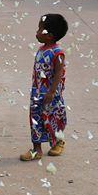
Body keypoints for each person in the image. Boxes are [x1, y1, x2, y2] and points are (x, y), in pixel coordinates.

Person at [20, 14, 68, 162]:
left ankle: (58, 141)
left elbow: (59, 72)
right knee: (35, 118)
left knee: (52, 118)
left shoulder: (57, 52)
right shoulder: (41, 49)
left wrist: (52, 91)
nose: (37, 31)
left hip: (51, 94)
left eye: (40, 29)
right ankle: (36, 149)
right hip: (37, 92)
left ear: (50, 36)